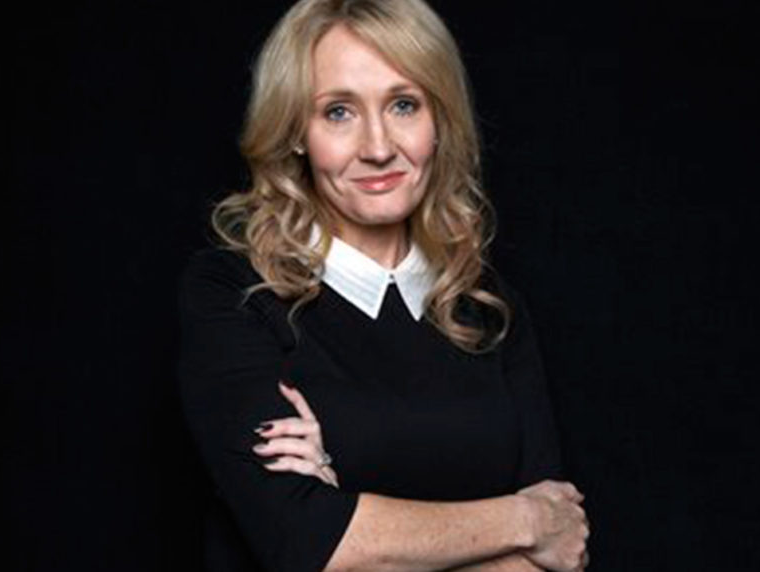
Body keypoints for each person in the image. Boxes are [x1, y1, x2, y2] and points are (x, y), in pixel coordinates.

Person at [176, 0, 589, 570]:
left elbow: (558, 557)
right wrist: (524, 520)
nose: (377, 148)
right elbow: (304, 544)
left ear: (439, 121)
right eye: (338, 112)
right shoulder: (234, 294)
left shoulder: (489, 309)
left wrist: (346, 519)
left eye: (403, 104)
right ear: (296, 132)